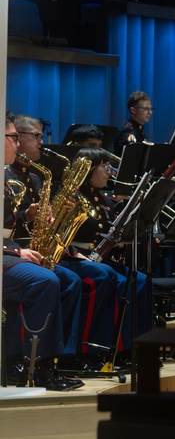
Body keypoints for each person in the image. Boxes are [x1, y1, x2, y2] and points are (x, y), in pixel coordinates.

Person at [9, 114, 120, 367]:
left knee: (73, 280)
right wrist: (29, 216)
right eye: (35, 136)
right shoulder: (9, 176)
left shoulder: (37, 177)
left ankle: (64, 353)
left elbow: (45, 225)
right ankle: (33, 356)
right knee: (62, 280)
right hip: (19, 251)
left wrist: (59, 215)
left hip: (41, 250)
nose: (41, 142)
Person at [2, 112, 85, 391]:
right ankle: (33, 365)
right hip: (5, 255)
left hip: (9, 253)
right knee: (44, 280)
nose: (16, 144)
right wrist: (17, 253)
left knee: (68, 279)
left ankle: (48, 360)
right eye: (12, 137)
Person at [67, 146, 150, 362]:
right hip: (73, 257)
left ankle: (129, 347)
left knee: (140, 280)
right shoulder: (71, 196)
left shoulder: (102, 199)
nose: (109, 172)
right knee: (108, 278)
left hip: (100, 258)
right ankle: (89, 349)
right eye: (104, 167)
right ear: (89, 170)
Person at [113, 90, 152, 155]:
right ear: (133, 110)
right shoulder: (127, 132)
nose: (150, 112)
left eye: (150, 109)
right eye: (146, 109)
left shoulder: (139, 131)